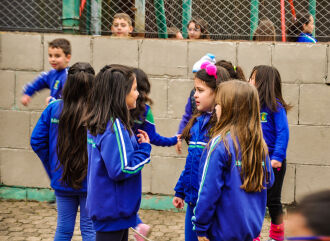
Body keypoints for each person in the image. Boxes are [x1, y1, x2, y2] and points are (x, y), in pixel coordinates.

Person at [192, 80, 274, 241]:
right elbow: (269, 181)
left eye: (218, 104)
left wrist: (200, 227)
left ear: (230, 109)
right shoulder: (260, 145)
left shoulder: (220, 144)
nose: (215, 108)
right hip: (250, 233)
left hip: (221, 234)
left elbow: (208, 191)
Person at [85, 65, 151, 241]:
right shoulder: (115, 127)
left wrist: (134, 146)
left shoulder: (102, 121)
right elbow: (122, 168)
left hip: (111, 211)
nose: (138, 94)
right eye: (135, 89)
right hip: (114, 212)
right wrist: (145, 150)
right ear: (120, 93)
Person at [30, 62, 95, 240]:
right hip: (90, 182)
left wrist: (52, 164)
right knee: (89, 230)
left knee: (64, 229)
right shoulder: (98, 112)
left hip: (61, 178)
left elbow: (36, 142)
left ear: (68, 84)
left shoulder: (53, 108)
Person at [173, 62, 230, 241]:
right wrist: (180, 190)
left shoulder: (221, 129)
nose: (195, 95)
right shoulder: (197, 124)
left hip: (211, 206)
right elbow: (192, 162)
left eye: (200, 90)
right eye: (195, 90)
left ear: (218, 93)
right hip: (192, 201)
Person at [130, 68, 178, 241]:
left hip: (121, 160)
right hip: (137, 160)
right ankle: (137, 224)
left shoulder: (117, 108)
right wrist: (173, 140)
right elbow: (153, 138)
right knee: (131, 197)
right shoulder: (145, 110)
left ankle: (136, 224)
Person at [249, 65, 291, 241]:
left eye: (252, 79)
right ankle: (254, 234)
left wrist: (277, 157)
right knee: (254, 200)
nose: (248, 81)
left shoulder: (275, 107)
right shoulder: (250, 105)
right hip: (254, 161)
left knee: (273, 201)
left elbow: (283, 132)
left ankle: (276, 235)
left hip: (273, 161)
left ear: (262, 83)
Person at [21, 38, 71, 106]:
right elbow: (39, 81)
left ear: (68, 58)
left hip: (64, 114)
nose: (53, 59)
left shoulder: (68, 76)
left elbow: (68, 99)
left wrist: (51, 101)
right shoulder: (51, 73)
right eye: (50, 55)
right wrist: (27, 93)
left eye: (57, 56)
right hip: (53, 113)